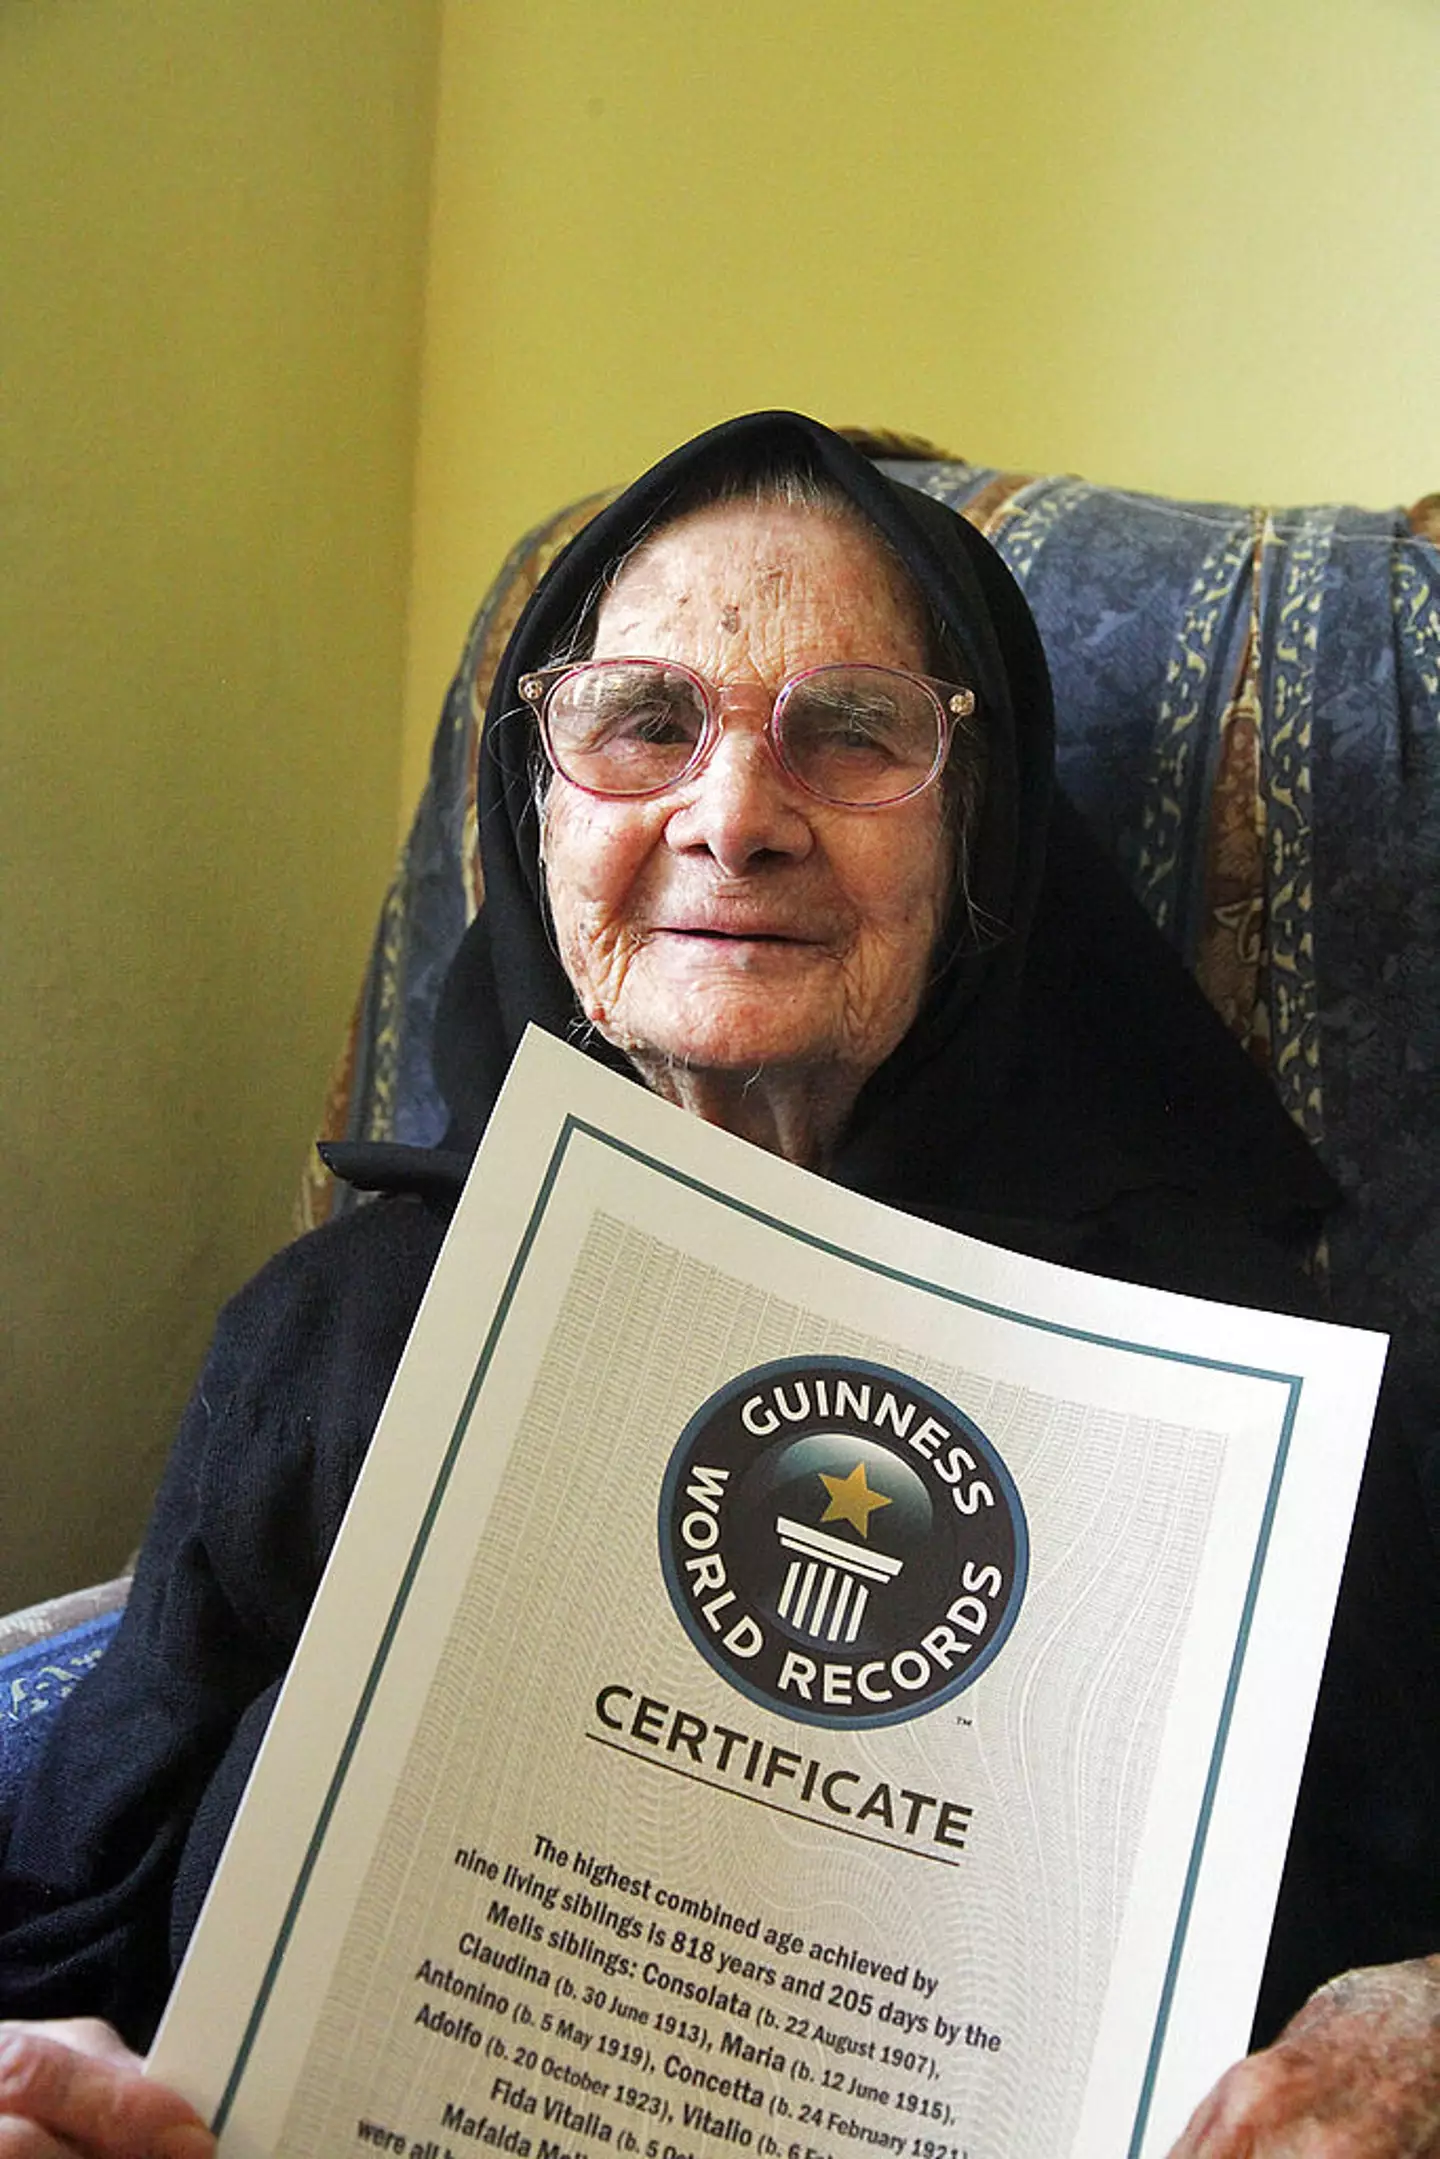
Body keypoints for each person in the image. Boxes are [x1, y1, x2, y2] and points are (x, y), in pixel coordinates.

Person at [1, 412, 1437, 2155]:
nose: (735, 816)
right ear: (536, 817)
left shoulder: (1243, 1392)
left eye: (848, 733)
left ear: (978, 837)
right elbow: (62, 1904)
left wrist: (1407, 2022)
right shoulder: (347, 1324)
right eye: (645, 723)